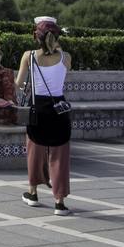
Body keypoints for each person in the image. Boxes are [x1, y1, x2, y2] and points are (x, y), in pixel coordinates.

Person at [16, 17, 73, 215]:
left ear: (36, 37)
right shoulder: (66, 57)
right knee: (59, 156)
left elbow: (18, 84)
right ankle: (59, 202)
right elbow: (63, 78)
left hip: (37, 109)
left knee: (35, 152)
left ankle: (33, 193)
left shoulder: (28, 56)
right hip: (59, 109)